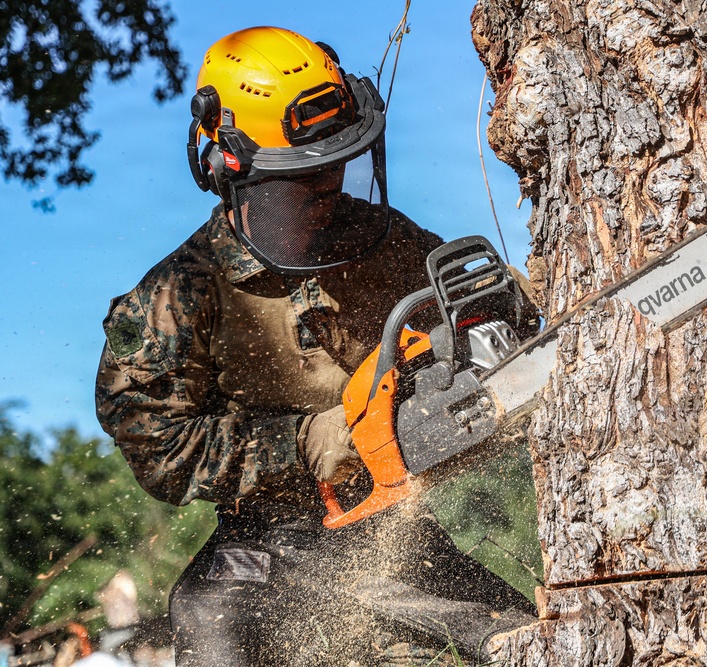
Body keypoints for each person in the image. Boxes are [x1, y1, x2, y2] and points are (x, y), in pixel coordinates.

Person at [95, 26, 535, 667]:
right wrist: (307, 441)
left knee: (524, 639)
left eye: (336, 172)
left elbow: (484, 309)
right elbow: (158, 443)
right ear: (231, 170)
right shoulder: (180, 295)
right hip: (263, 547)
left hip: (392, 535)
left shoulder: (388, 243)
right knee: (207, 625)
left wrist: (483, 349)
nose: (328, 194)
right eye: (303, 182)